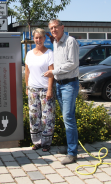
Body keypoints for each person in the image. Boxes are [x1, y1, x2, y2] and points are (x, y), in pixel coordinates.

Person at [43, 19, 80, 165]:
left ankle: (72, 153)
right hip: (59, 84)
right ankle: (71, 147)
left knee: (68, 118)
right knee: (67, 119)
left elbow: (72, 64)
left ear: (62, 27)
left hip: (69, 84)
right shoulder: (56, 42)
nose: (53, 30)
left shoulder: (70, 41)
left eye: (55, 27)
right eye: (51, 28)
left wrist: (53, 72)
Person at [25, 28, 55, 152]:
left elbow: (52, 73)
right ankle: (37, 142)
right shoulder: (29, 53)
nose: (38, 40)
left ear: (44, 38)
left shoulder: (49, 53)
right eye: (36, 38)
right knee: (34, 116)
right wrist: (27, 87)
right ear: (34, 39)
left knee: (47, 117)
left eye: (40, 38)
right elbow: (27, 71)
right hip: (32, 89)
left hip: (44, 89)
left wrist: (49, 89)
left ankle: (46, 142)